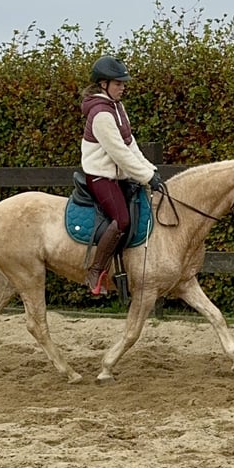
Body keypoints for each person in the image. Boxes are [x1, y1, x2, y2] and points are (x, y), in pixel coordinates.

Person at [80, 55, 164, 295]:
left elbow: (130, 144)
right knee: (122, 219)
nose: (123, 87)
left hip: (118, 176)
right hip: (100, 177)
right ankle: (95, 271)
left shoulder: (117, 108)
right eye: (118, 83)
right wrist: (147, 177)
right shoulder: (101, 115)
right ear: (103, 84)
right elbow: (119, 154)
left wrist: (150, 169)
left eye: (123, 83)